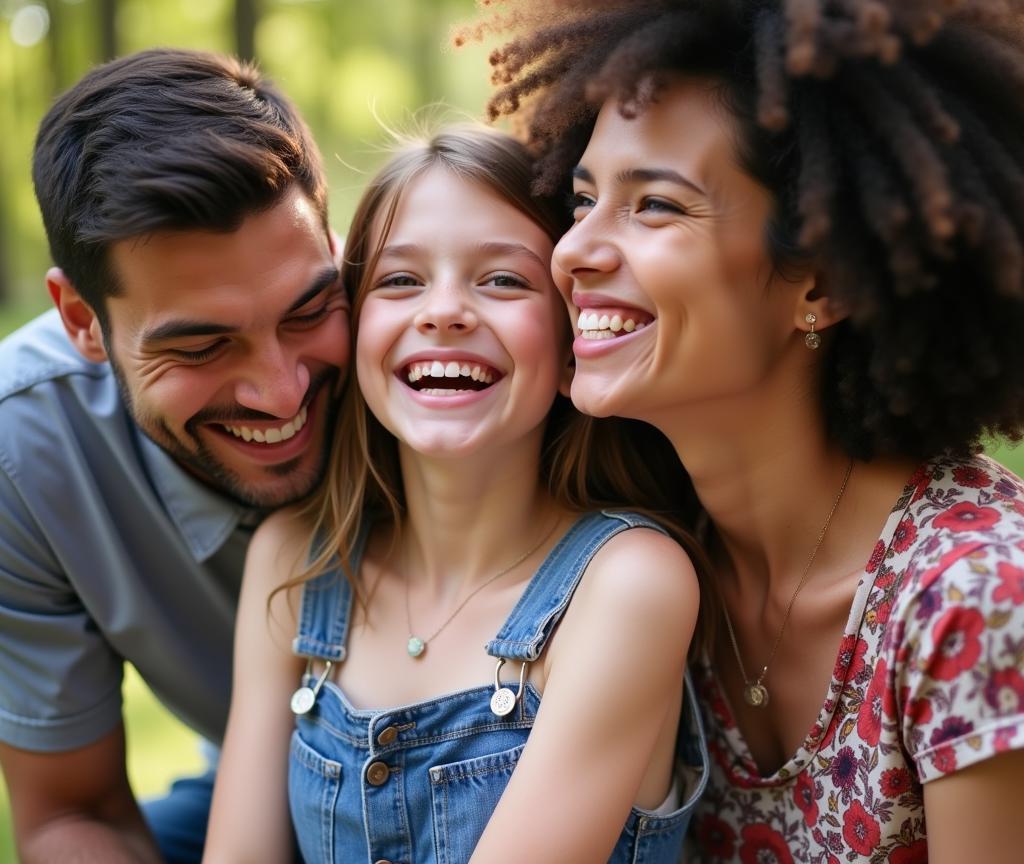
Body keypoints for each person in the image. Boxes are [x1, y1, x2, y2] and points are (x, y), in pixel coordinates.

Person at [462, 0, 1024, 860]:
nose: (577, 250)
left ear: (821, 282)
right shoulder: (626, 546)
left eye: (655, 206)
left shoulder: (974, 594)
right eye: (584, 200)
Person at [202, 124, 707, 864]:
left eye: (503, 280)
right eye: (400, 280)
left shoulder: (628, 584)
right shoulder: (296, 562)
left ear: (572, 346)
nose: (443, 312)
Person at [0, 48, 349, 864]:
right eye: (202, 346)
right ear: (82, 320)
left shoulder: (434, 360)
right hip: (253, 794)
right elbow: (69, 812)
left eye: (309, 311)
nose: (281, 391)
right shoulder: (25, 456)